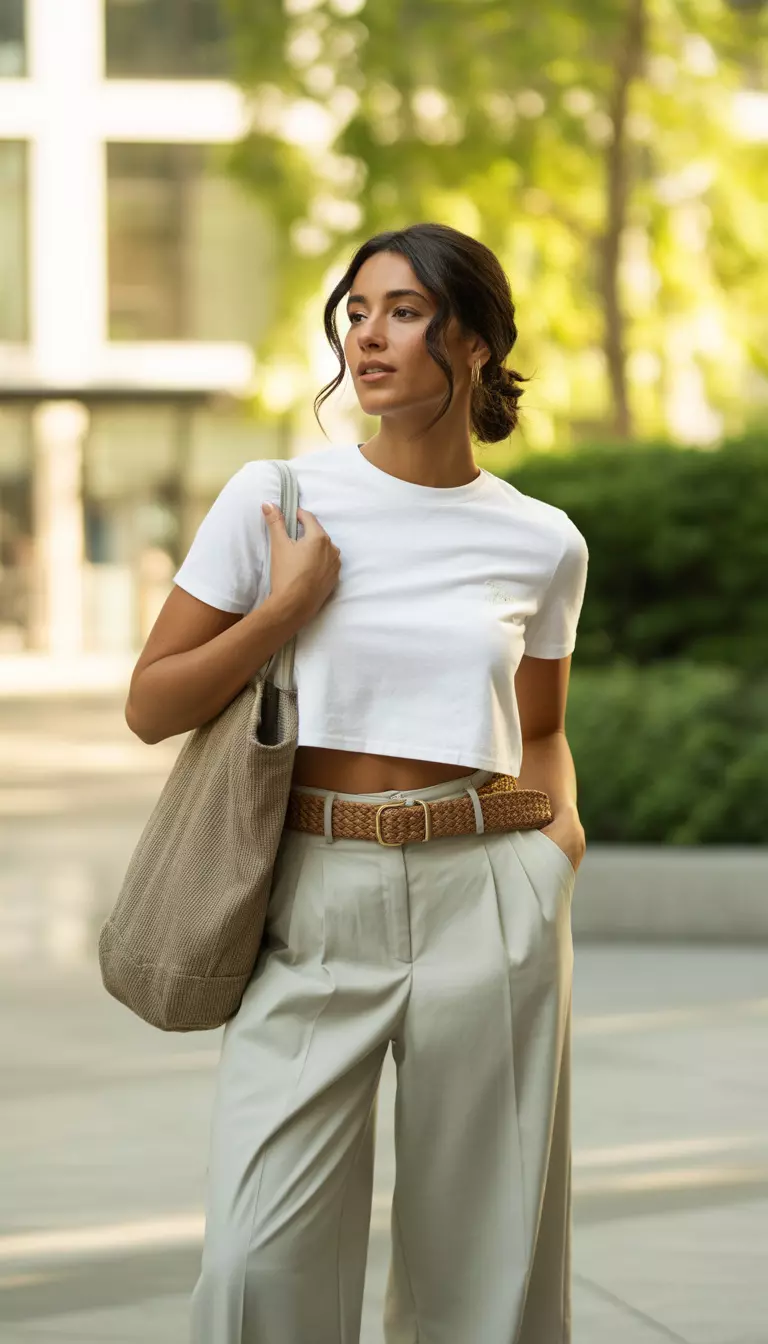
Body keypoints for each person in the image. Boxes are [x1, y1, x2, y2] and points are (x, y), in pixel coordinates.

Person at [125, 221, 589, 1344]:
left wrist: (553, 852)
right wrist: (285, 608)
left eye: (404, 311)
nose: (368, 337)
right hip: (312, 891)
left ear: (474, 342)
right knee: (255, 1260)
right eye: (357, 311)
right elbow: (152, 703)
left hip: (487, 893)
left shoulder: (541, 542)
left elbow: (542, 729)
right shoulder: (277, 499)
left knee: (486, 1260)